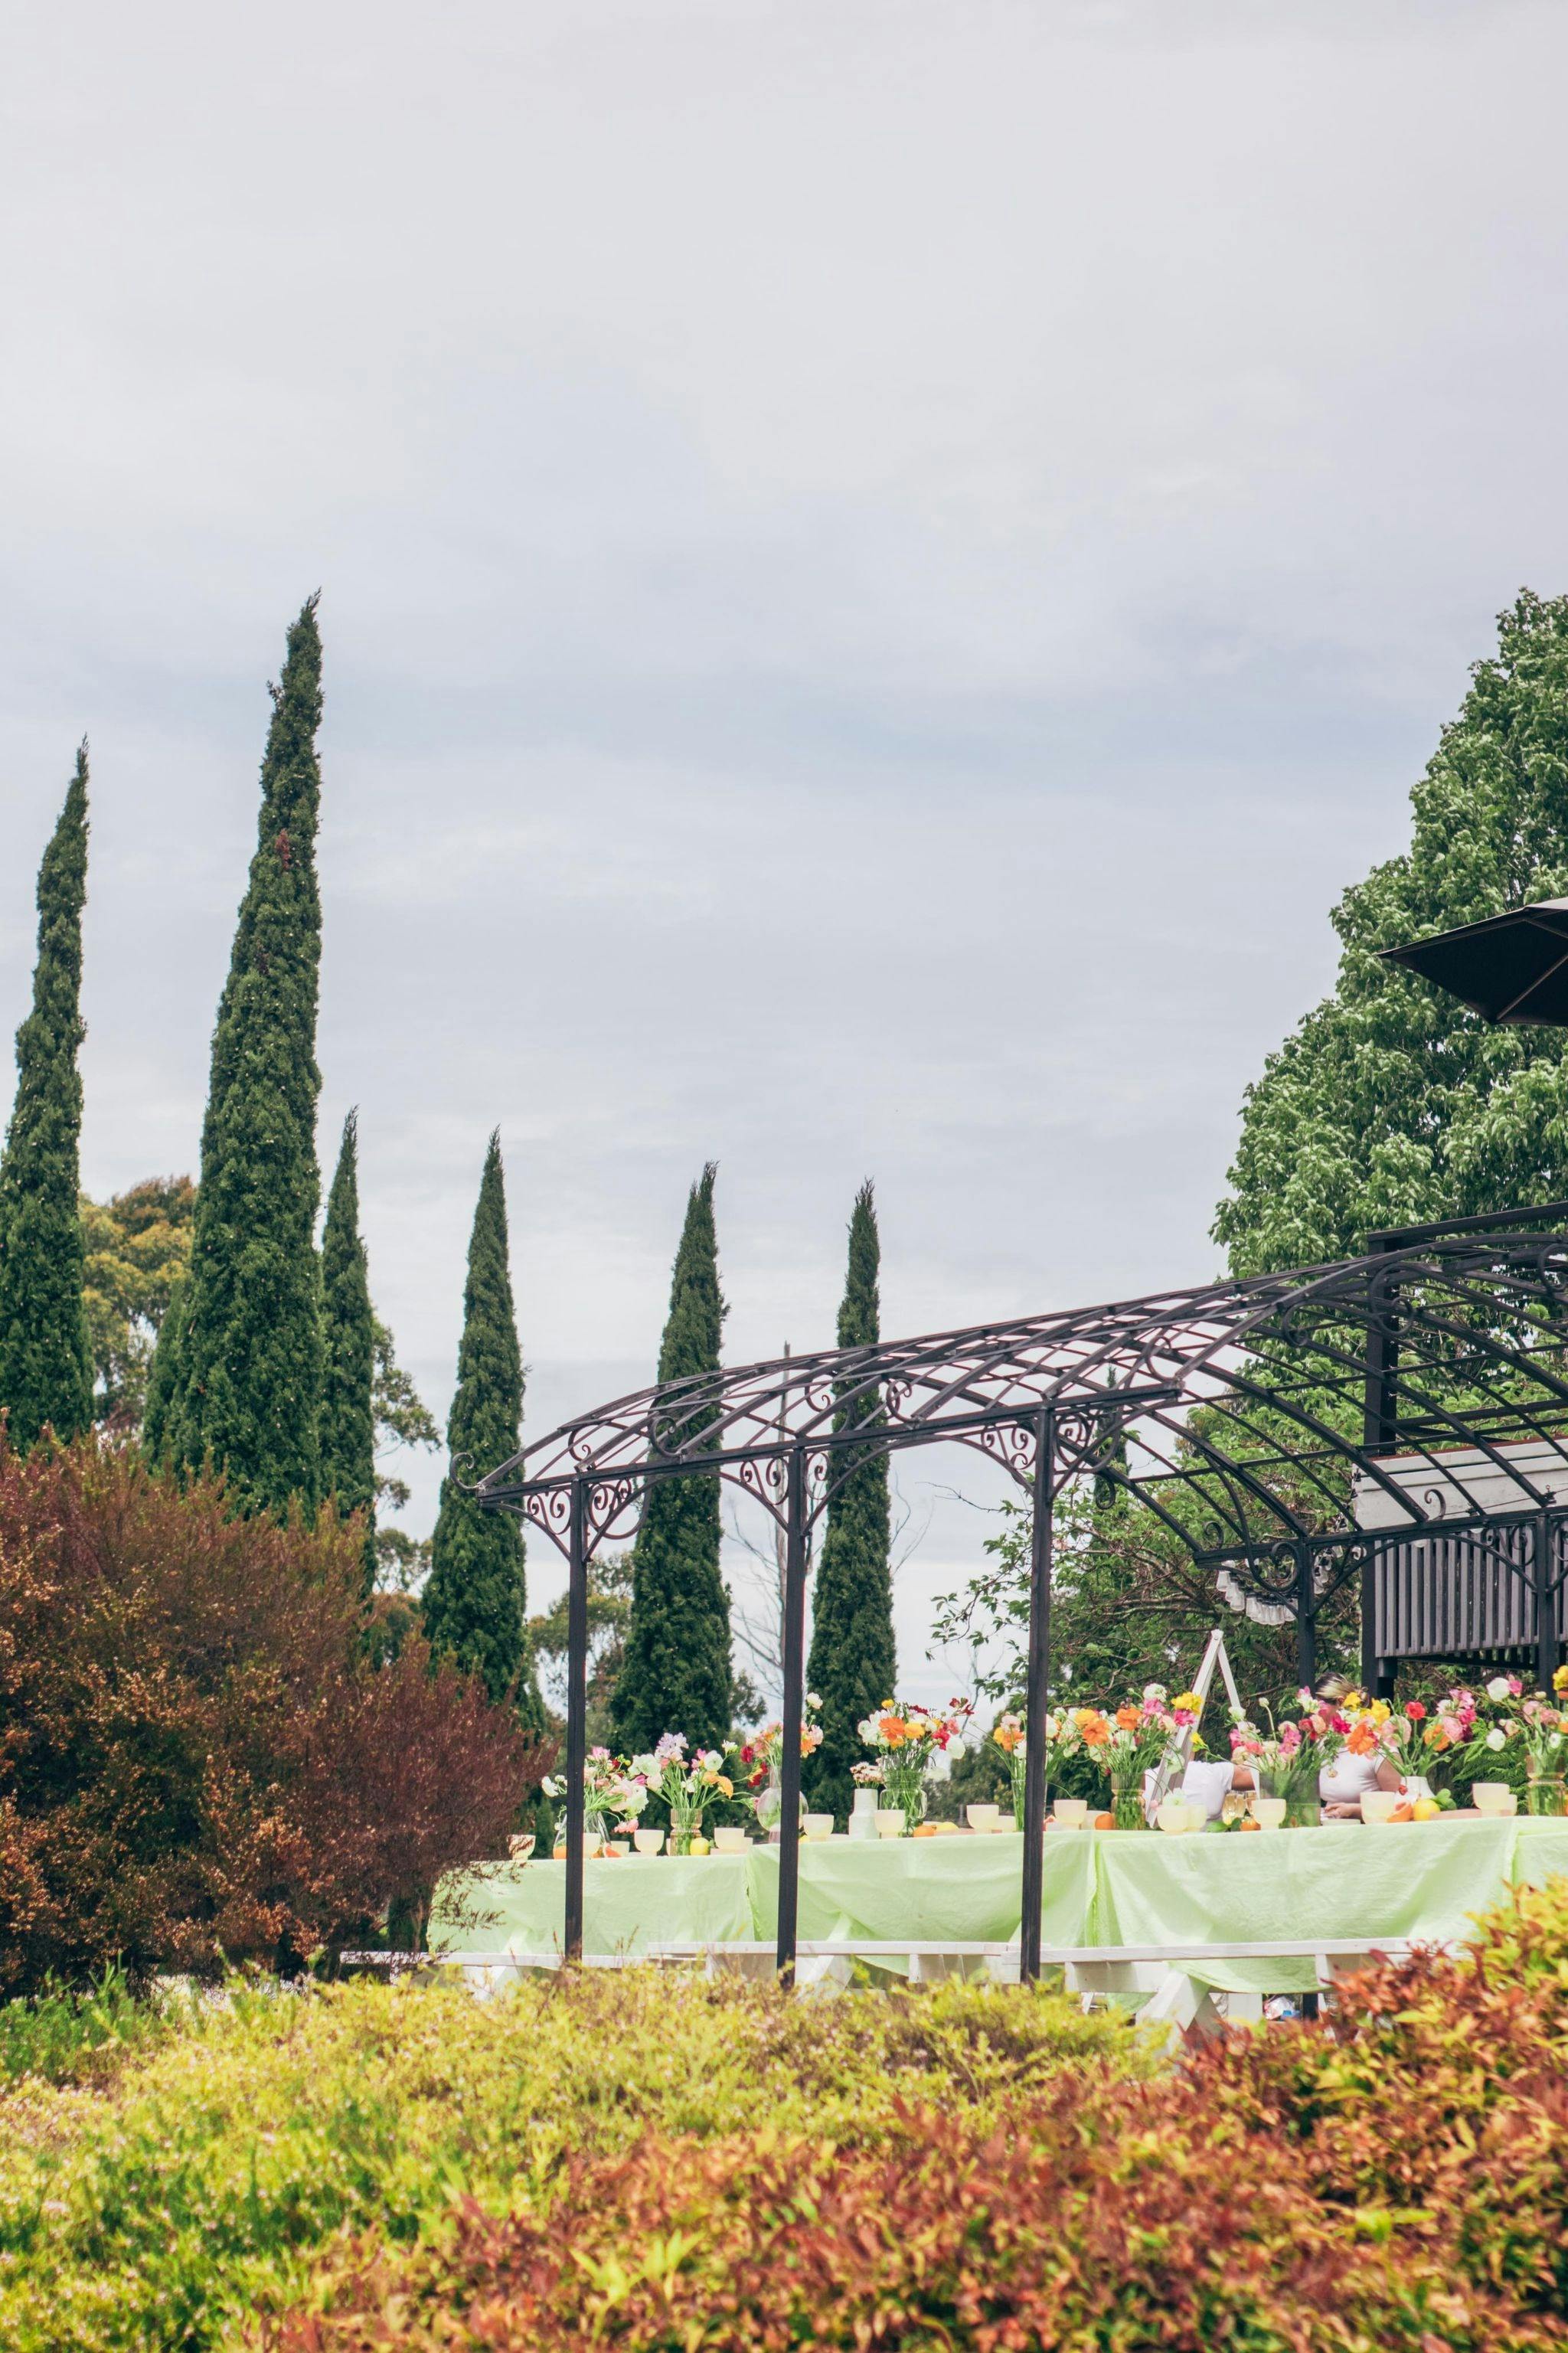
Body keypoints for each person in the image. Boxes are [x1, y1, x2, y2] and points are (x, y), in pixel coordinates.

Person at [1181, 1672, 1404, 1822]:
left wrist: (1354, 1810)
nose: (1314, 1712)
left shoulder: (1377, 1748)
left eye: (1320, 1705)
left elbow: (1404, 1804)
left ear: (1341, 1702)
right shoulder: (1324, 1746)